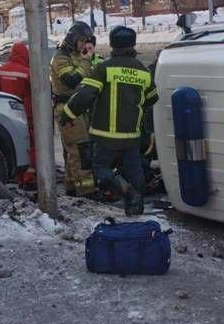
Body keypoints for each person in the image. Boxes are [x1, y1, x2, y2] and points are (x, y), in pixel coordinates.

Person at [62, 26, 159, 216]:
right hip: (132, 136)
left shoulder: (104, 68)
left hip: (105, 135)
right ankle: (135, 210)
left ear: (113, 46)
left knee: (101, 169)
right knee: (134, 171)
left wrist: (68, 114)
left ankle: (127, 192)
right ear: (133, 45)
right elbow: (152, 98)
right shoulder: (143, 72)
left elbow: (85, 95)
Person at [50, 21, 96, 197]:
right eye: (82, 40)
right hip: (68, 109)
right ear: (73, 39)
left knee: (71, 151)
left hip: (77, 108)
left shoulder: (76, 55)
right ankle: (86, 191)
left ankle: (71, 187)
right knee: (79, 151)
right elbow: (71, 79)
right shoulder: (61, 57)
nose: (84, 44)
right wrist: (86, 61)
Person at [0, 42, 35, 187]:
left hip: (6, 114)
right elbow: (34, 94)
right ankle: (29, 175)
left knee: (13, 143)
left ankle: (17, 175)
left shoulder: (2, 70)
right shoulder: (27, 72)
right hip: (25, 114)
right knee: (30, 145)